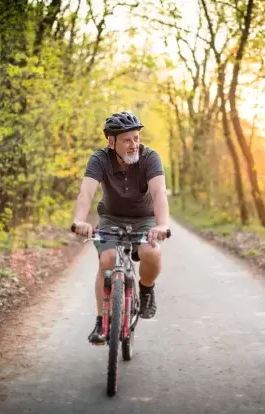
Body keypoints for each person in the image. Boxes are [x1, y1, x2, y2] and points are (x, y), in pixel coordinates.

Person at [71, 111, 170, 345]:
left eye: (136, 138)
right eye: (127, 140)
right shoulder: (99, 159)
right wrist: (80, 220)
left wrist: (163, 224)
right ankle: (101, 321)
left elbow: (158, 193)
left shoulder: (150, 157)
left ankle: (145, 290)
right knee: (107, 259)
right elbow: (86, 191)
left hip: (144, 219)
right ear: (111, 142)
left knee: (151, 252)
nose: (133, 144)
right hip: (111, 219)